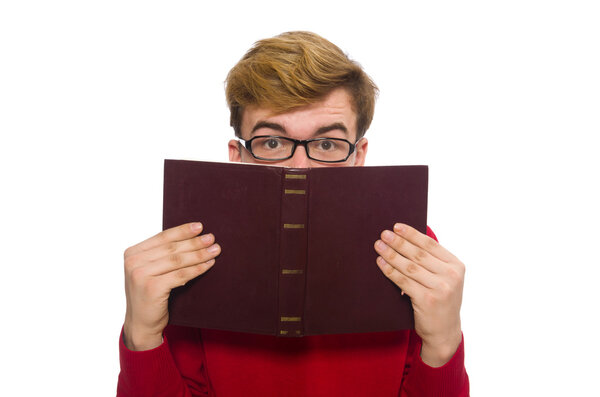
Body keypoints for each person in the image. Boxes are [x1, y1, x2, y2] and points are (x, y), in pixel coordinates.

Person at [117, 31, 469, 396]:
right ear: (237, 158)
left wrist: (443, 344)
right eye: (272, 142)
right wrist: (142, 336)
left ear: (358, 157)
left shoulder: (410, 249)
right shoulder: (190, 249)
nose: (300, 168)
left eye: (327, 143)